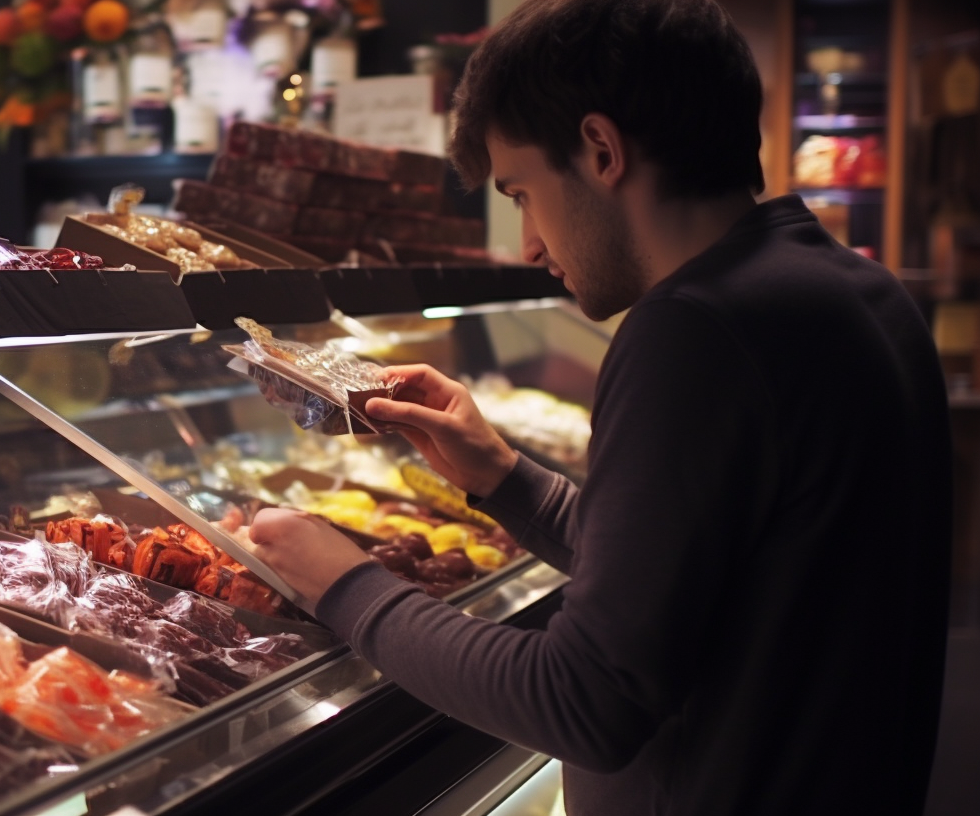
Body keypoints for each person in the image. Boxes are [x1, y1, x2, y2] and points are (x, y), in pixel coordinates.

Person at [246, 1, 953, 814]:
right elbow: (708, 574)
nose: (530, 247)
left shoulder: (696, 330)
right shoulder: (857, 291)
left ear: (602, 151)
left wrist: (346, 588)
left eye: (521, 192)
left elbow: (584, 700)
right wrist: (507, 478)